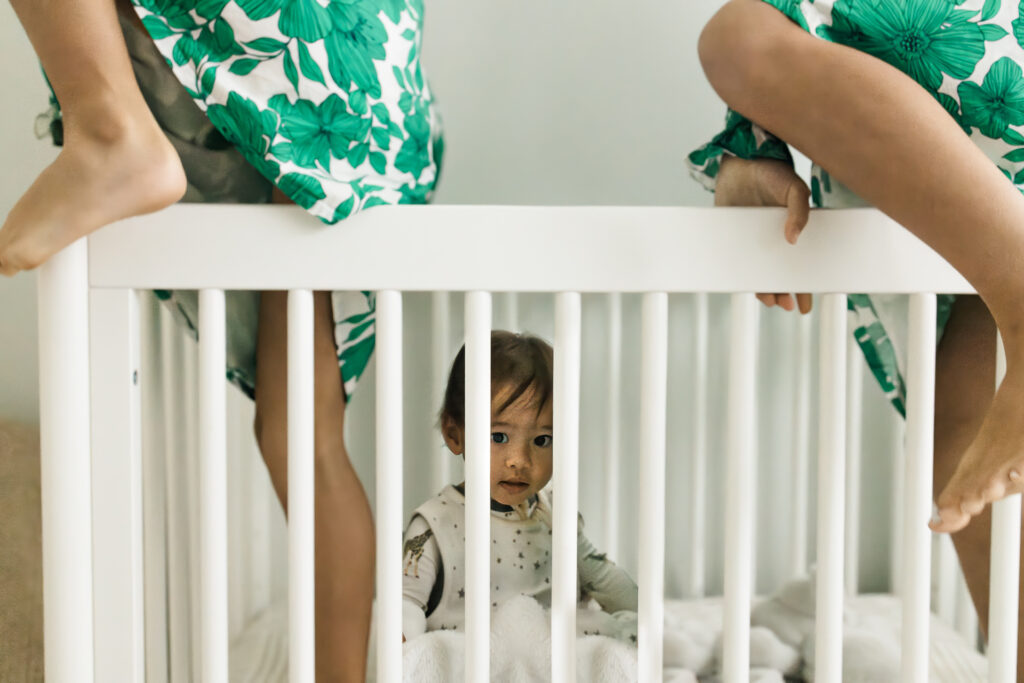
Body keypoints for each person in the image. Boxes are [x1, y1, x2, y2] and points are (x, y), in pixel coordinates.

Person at [1, 0, 443, 680]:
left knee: (304, 441)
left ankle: (109, 127)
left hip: (317, 43)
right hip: (361, 72)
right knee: (302, 440)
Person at [691, 0, 1024, 664]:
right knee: (959, 440)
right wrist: (751, 150)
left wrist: (748, 141)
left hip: (978, 87)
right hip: (972, 187)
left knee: (736, 38)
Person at [401, 331, 638, 642]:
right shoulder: (434, 525)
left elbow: (607, 582)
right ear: (454, 434)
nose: (520, 460)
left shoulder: (556, 516)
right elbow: (406, 606)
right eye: (498, 437)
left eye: (542, 440)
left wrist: (644, 624)